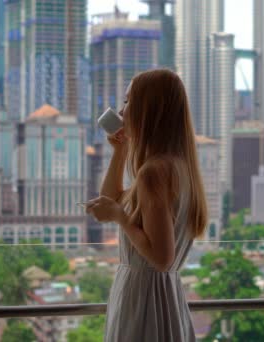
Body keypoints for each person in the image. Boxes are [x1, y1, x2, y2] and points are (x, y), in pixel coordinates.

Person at [85, 68, 208, 341]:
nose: (121, 110)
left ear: (148, 111)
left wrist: (120, 218)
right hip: (164, 296)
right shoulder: (176, 167)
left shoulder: (153, 172)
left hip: (144, 298)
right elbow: (111, 200)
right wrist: (120, 153)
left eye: (129, 102)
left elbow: (162, 258)